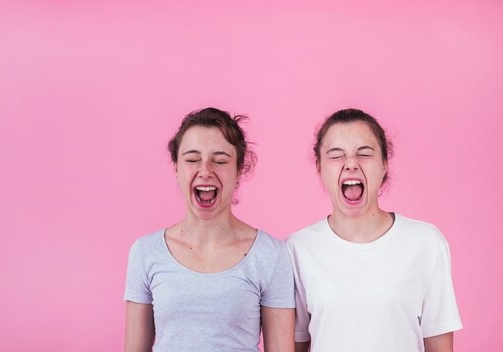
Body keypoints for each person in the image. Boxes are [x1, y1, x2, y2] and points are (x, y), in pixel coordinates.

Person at [287, 108, 462, 352]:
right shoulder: (297, 248)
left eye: (364, 154)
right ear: (319, 167)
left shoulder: (426, 243)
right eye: (336, 155)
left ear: (384, 165)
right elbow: (295, 345)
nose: (351, 164)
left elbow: (439, 345)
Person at [124, 107, 295, 352]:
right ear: (176, 168)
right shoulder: (145, 252)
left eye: (220, 160)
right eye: (192, 159)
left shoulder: (271, 254)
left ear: (239, 171)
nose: (205, 170)